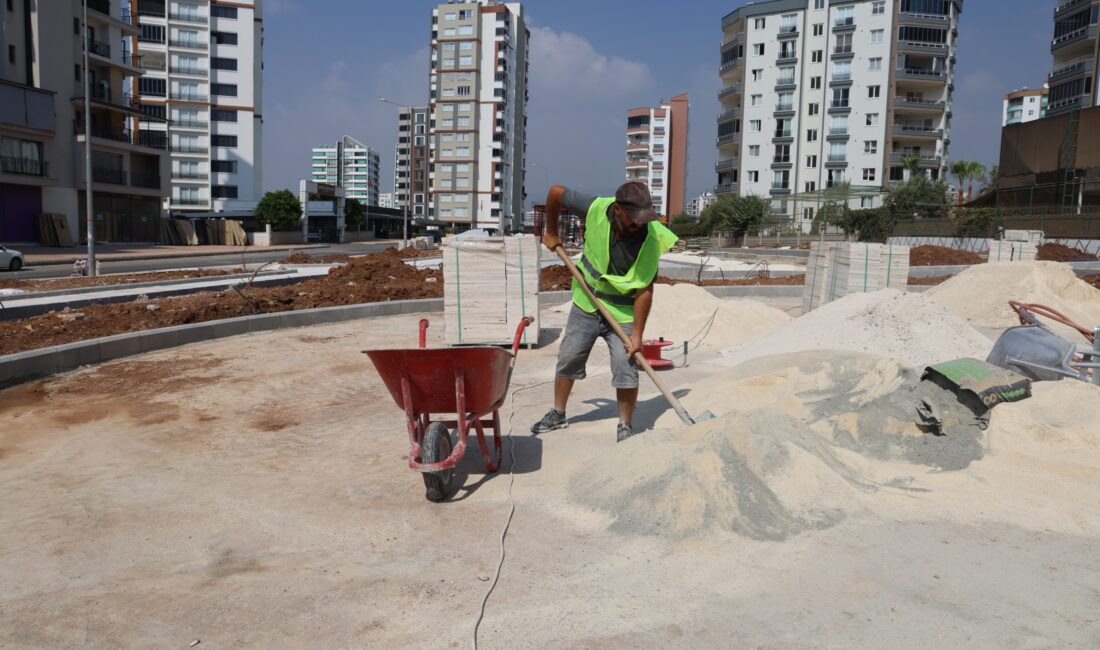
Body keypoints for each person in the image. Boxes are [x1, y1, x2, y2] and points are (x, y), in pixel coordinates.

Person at [531, 181, 678, 442]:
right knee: (569, 356)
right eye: (634, 220)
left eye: (644, 220)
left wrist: (637, 335)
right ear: (618, 210)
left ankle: (625, 425)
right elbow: (555, 192)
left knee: (626, 365)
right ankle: (558, 413)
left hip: (621, 310)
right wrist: (550, 231)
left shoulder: (650, 238)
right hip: (587, 300)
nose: (639, 225)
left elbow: (644, 290)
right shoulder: (595, 208)